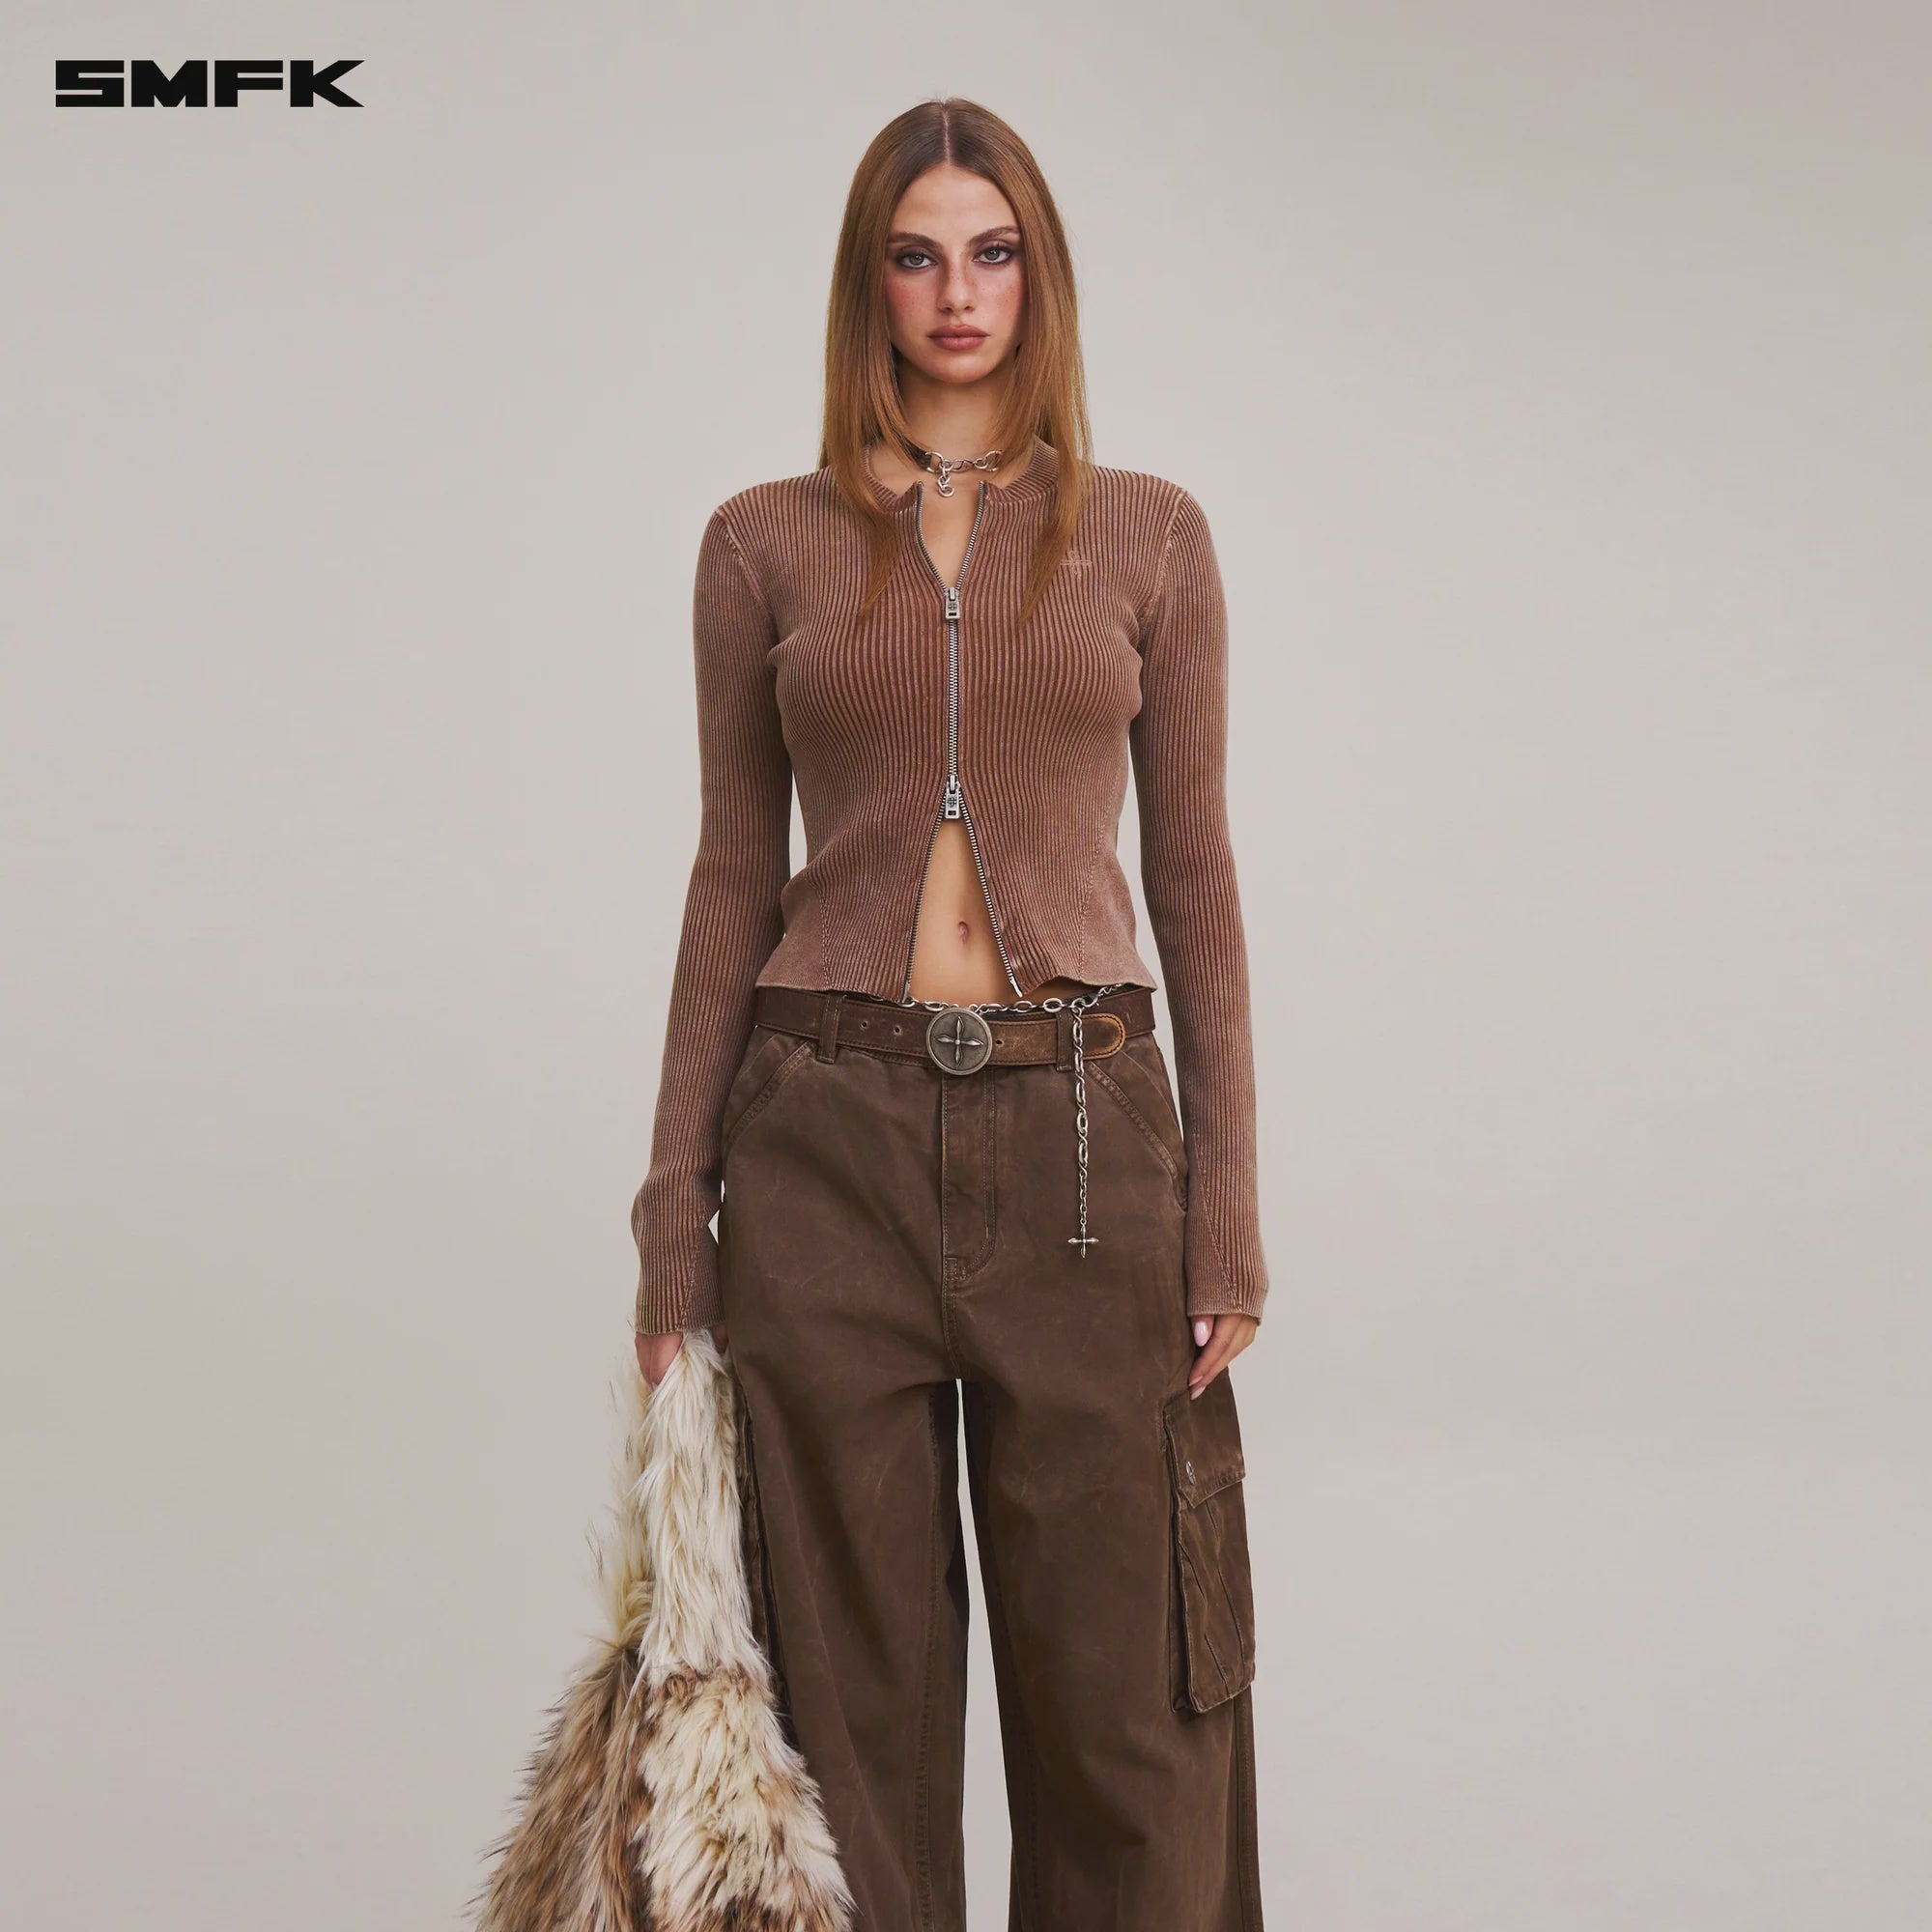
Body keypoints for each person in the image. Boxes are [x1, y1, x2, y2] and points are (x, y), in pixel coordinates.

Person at [629, 96, 1268, 1930]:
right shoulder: (761, 542)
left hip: (1085, 1149)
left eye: (993, 253)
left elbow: (1196, 875)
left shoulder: (1148, 537)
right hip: (822, 1142)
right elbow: (730, 877)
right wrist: (675, 1217)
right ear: (870, 286)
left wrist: (1226, 1204)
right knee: (844, 1738)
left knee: (1131, 1714)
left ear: (1040, 277)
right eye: (917, 257)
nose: (958, 293)